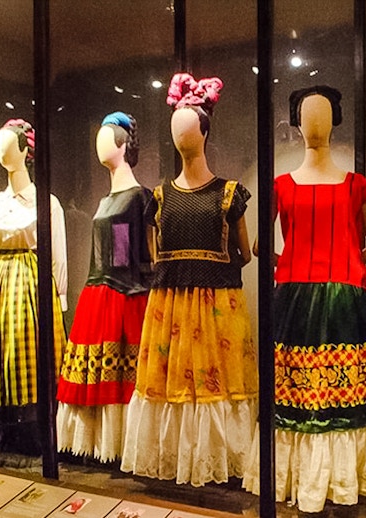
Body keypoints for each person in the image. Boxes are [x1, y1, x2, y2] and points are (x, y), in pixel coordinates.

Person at [243, 85, 366, 513]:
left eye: (320, 115)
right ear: (297, 123)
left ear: (333, 122)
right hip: (302, 299)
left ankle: (338, 479)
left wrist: (337, 263)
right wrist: (319, 262)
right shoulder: (281, 186)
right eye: (308, 115)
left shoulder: (355, 186)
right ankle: (308, 477)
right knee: (298, 392)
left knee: (339, 391)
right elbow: (259, 247)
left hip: (335, 300)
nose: (315, 123)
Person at [120, 74, 257, 485]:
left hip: (214, 311)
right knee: (174, 385)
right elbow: (242, 254)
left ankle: (214, 461)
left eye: (188, 124)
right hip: (173, 312)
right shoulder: (158, 198)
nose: (180, 133)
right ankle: (179, 459)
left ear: (205, 131)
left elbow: (245, 252)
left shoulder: (229, 193)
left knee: (216, 385)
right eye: (176, 125)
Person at [0, 119, 67, 465]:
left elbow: (57, 256)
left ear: (25, 151)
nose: (2, 151)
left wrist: (59, 300)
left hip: (32, 284)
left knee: (32, 359)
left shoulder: (45, 202)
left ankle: (35, 437)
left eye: (9, 144)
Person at [56, 112, 154, 462]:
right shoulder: (105, 201)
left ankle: (124, 444)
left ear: (123, 145)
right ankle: (94, 444)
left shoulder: (139, 197)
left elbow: (142, 253)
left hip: (125, 293)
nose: (100, 144)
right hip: (98, 290)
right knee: (92, 371)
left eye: (107, 137)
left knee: (121, 374)